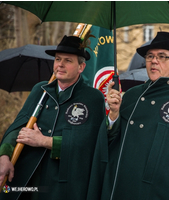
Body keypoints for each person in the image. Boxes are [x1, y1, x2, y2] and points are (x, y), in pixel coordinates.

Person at [88, 31, 169, 200]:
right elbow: (113, 140)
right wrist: (113, 114)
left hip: (166, 191)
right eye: (150, 56)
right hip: (124, 187)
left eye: (162, 56)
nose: (154, 61)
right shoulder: (131, 95)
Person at [0, 35, 106, 200]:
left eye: (68, 60)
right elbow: (17, 128)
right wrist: (4, 156)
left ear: (81, 67)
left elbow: (89, 145)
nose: (60, 65)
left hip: (61, 186)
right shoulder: (40, 90)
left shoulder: (93, 98)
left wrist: (44, 141)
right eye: (58, 59)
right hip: (26, 178)